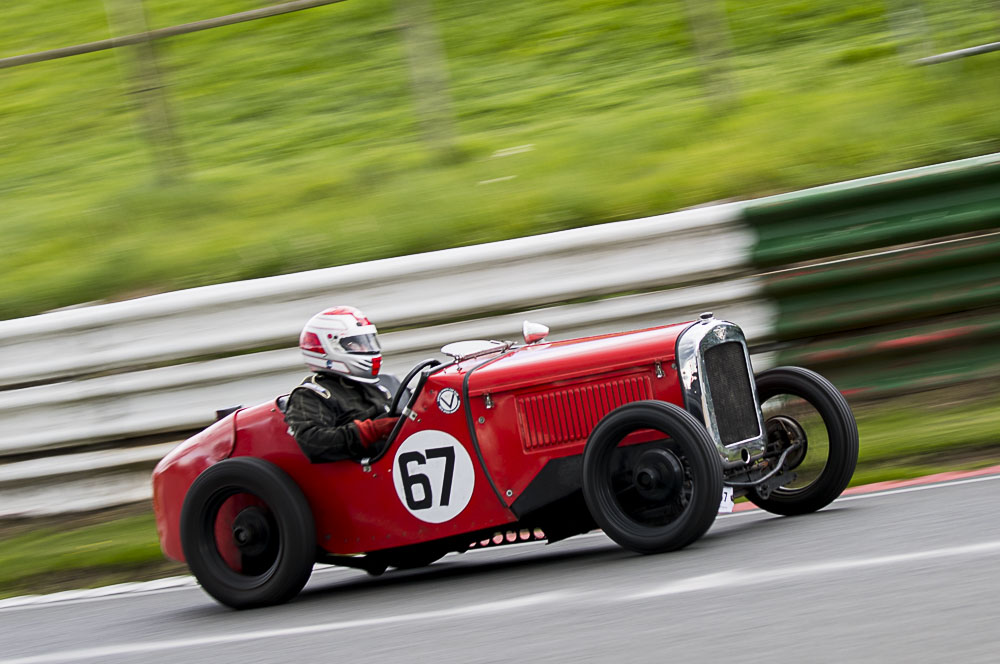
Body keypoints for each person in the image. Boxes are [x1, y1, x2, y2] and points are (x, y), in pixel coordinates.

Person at [284, 306, 399, 462]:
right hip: (365, 468)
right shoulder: (312, 394)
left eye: (367, 342)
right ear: (329, 348)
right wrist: (372, 431)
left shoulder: (380, 385)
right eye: (354, 344)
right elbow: (313, 442)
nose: (365, 348)